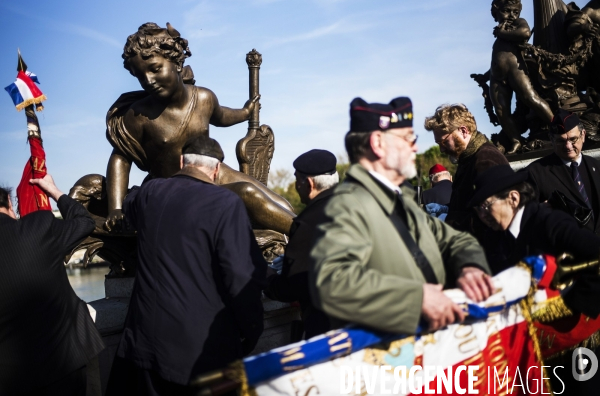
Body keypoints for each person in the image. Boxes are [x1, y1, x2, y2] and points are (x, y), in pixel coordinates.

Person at [309, 97, 493, 335]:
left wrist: (470, 266)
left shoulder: (400, 198)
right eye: (408, 139)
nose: (415, 147)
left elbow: (455, 239)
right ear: (378, 143)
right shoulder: (348, 204)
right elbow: (331, 282)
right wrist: (416, 298)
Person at [106, 137, 266, 396]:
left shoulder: (151, 193)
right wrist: (253, 330)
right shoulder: (226, 203)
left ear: (182, 162)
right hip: (201, 355)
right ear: (216, 170)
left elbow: (129, 200)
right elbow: (241, 277)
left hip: (145, 345)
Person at [104, 22, 294, 235]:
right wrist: (116, 208)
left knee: (281, 204)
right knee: (248, 194)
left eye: (155, 69)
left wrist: (245, 112)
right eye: (140, 76)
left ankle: (304, 235)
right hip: (177, 188)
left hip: (215, 172)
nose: (148, 80)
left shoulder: (203, 97)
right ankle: (311, 234)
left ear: (176, 63)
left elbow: (222, 116)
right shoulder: (138, 115)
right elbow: (120, 158)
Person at [468, 164, 600, 394]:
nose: (482, 215)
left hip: (576, 342)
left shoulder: (549, 223)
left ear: (513, 198)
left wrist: (569, 307)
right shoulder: (493, 238)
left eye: (486, 206)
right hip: (535, 348)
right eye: (478, 209)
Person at [0, 176, 104, 396]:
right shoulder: (38, 228)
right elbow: (85, 222)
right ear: (9, 203)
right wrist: (53, 191)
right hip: (67, 363)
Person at [265, 149, 338, 339]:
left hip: (331, 331)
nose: (296, 186)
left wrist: (266, 274)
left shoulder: (308, 222)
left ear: (310, 184)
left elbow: (291, 288)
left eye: (297, 180)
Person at [424, 103, 509, 233]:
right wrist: (446, 209)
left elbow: (494, 216)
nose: (441, 149)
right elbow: (466, 206)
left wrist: (447, 223)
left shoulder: (486, 160)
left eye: (444, 142)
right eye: (438, 144)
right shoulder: (468, 159)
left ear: (463, 131)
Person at [488, 0, 553, 154]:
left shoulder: (517, 24)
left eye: (515, 12)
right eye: (506, 11)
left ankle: (557, 125)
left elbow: (524, 33)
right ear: (496, 13)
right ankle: (516, 140)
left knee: (530, 97)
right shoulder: (502, 33)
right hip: (496, 76)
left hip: (516, 70)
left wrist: (502, 32)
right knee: (501, 110)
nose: (511, 15)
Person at [527, 109, 600, 235]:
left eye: (573, 139)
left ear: (583, 135)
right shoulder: (536, 173)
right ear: (551, 139)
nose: (568, 146)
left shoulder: (596, 165)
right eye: (561, 141)